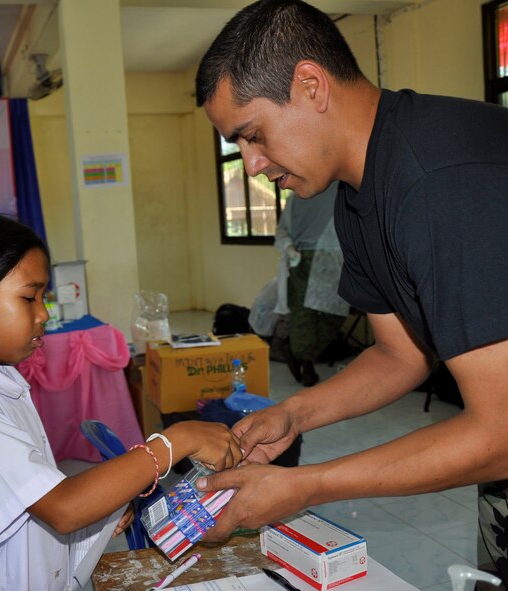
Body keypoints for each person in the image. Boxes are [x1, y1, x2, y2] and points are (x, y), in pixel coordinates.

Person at [193, 0, 508, 581]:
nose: (254, 165)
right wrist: (293, 414)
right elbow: (400, 353)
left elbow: (500, 431)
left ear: (311, 85)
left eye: (253, 136)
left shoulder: (436, 183)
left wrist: (304, 485)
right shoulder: (358, 196)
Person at [0, 209, 241, 590]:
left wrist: (99, 514)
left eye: (44, 297)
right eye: (28, 298)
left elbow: (38, 499)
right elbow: (62, 508)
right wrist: (176, 441)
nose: (44, 314)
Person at [274, 182, 348, 387]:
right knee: (304, 314)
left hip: (333, 258)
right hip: (303, 259)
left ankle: (298, 352)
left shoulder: (341, 188)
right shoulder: (294, 198)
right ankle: (306, 363)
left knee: (334, 313)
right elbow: (282, 231)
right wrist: (289, 249)